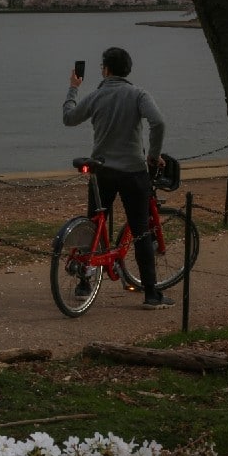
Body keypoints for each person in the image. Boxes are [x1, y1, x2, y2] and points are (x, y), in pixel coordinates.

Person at [62, 46, 171, 309]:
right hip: (133, 172)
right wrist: (153, 155)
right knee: (142, 231)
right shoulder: (138, 94)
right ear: (127, 70)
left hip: (101, 171)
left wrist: (73, 88)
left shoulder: (96, 95)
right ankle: (151, 295)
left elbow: (68, 118)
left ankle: (84, 284)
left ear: (106, 69)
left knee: (94, 226)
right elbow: (158, 123)